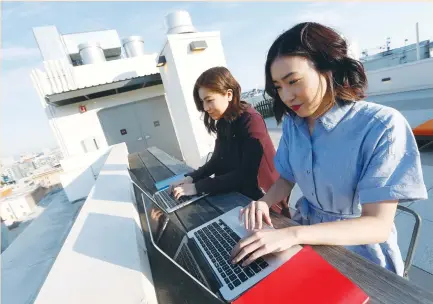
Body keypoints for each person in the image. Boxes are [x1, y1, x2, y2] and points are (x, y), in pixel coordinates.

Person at [230, 22, 428, 276]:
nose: (287, 96)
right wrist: (264, 202)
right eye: (278, 87)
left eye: (293, 81)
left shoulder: (382, 126)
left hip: (359, 254)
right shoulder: (294, 123)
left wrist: (292, 234)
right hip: (304, 240)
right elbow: (287, 178)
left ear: (329, 70)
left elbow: (377, 225)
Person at [169, 66, 289, 215]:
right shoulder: (224, 122)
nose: (205, 107)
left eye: (209, 100)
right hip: (238, 198)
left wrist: (197, 187)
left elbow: (246, 175)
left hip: (265, 202)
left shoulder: (251, 121)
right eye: (202, 102)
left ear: (229, 94)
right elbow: (216, 161)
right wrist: (191, 178)